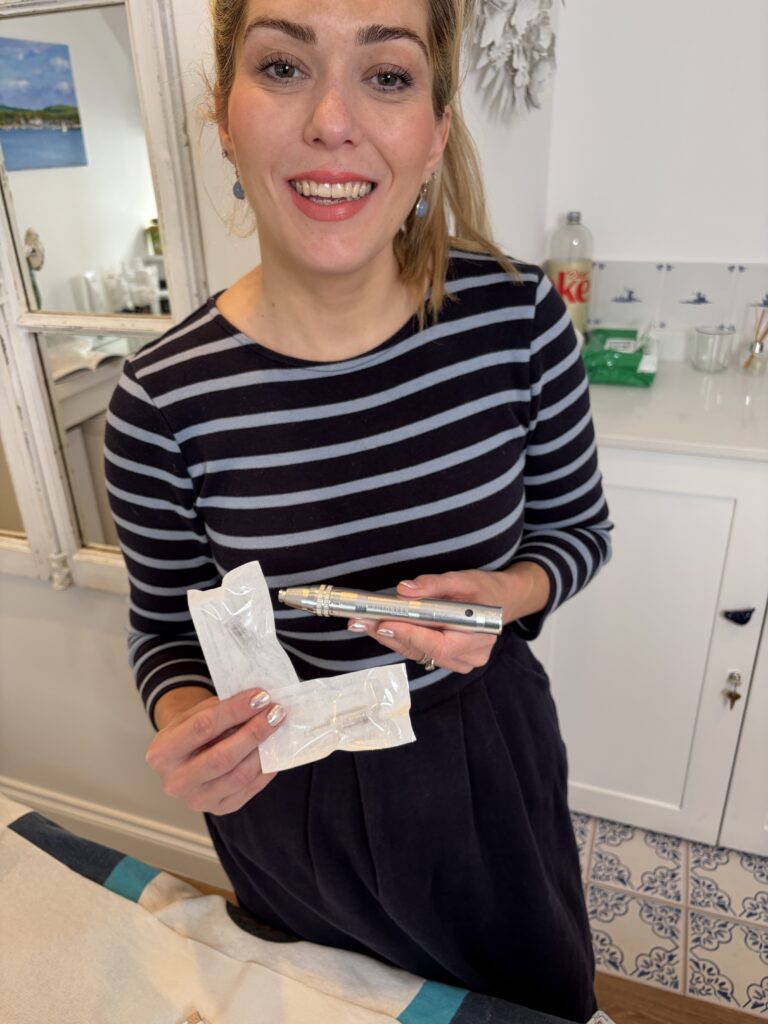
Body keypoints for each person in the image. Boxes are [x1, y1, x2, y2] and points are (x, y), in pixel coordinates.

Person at [105, 1, 612, 1019]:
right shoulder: (161, 400)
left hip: (485, 770)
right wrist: (191, 725)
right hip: (293, 802)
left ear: (434, 126)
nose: (334, 120)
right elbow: (164, 630)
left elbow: (575, 535)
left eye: (386, 77)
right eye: (284, 67)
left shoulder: (518, 324)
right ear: (225, 110)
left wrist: (503, 598)